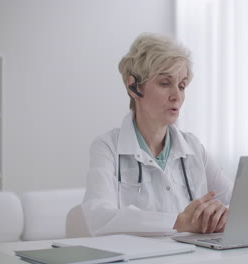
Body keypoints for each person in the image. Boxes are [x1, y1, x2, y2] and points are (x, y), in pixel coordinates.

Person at [81, 33, 233, 236]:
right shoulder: (108, 146)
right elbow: (99, 217)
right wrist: (179, 222)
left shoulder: (193, 147)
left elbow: (238, 202)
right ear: (134, 87)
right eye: (164, 83)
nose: (176, 96)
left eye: (182, 86)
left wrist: (222, 214)